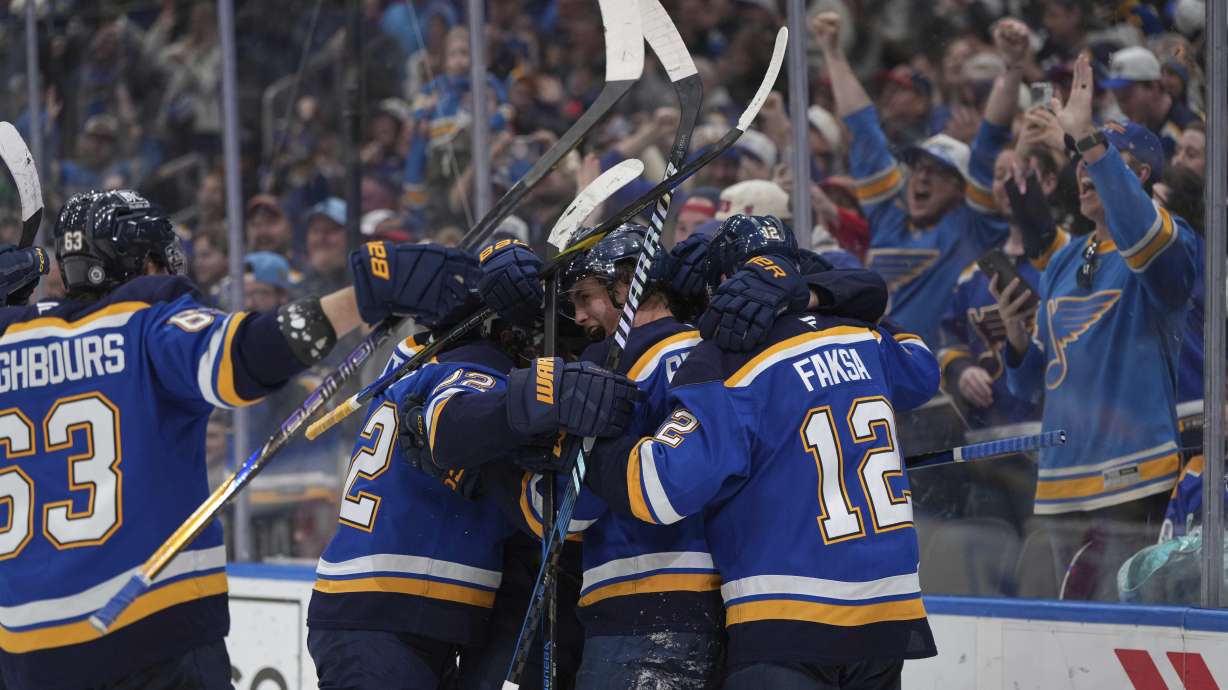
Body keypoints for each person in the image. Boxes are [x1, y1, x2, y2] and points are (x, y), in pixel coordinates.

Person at [0, 189, 478, 690]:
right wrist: (367, 295)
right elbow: (251, 352)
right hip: (149, 639)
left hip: (24, 658)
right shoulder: (143, 327)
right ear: (145, 264)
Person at [582, 220, 939, 690]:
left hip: (787, 616)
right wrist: (822, 292)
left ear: (722, 285)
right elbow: (922, 367)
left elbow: (659, 489)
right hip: (889, 617)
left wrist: (590, 444)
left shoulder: (725, 362)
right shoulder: (865, 338)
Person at [307, 240, 638, 689]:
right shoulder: (475, 366)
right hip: (393, 607)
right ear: (505, 332)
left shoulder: (414, 357)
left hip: (388, 610)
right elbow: (451, 425)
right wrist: (546, 392)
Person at [994, 56, 1202, 600]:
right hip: (1059, 482)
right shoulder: (1065, 259)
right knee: (1065, 633)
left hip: (1132, 474)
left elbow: (1143, 233)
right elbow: (1032, 383)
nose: (1083, 171)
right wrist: (1017, 342)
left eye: (1100, 159)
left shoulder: (1173, 243)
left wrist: (1087, 138)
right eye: (1081, 160)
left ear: (1140, 176)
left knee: (1119, 626)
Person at [814, 12, 1026, 345]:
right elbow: (864, 129)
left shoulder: (973, 225)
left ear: (961, 189)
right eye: (918, 168)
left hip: (945, 371)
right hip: (883, 368)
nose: (922, 178)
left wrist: (1012, 67)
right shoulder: (889, 216)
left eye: (938, 171)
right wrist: (833, 51)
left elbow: (991, 136)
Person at [1102, 46, 1202, 160]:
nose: (1122, 104)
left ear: (1154, 88)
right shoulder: (1130, 126)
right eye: (1117, 95)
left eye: (1126, 95)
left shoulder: (1187, 127)